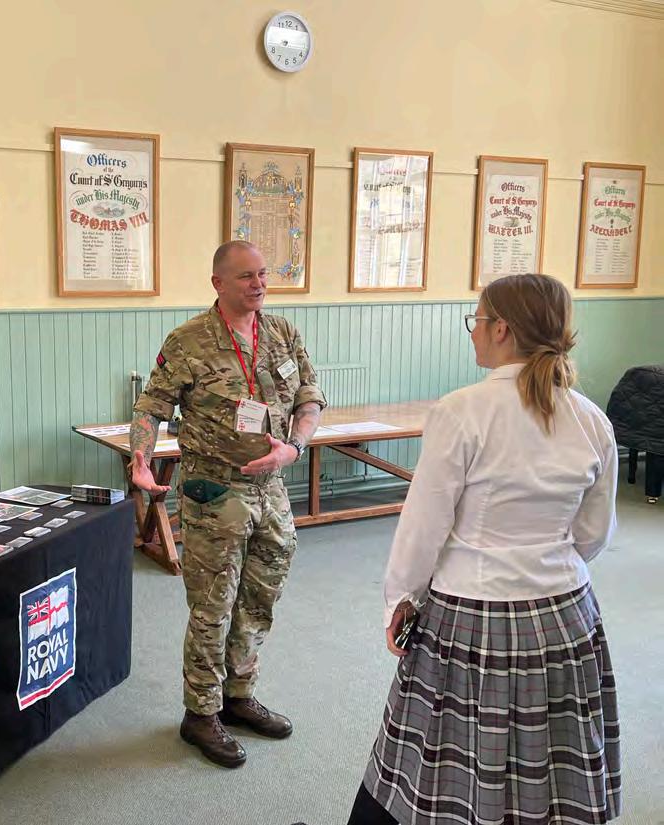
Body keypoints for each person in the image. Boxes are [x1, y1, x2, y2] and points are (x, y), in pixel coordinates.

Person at [347, 274, 620, 824]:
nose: (472, 332)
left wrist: (400, 598)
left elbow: (424, 525)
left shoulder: (461, 411)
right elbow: (594, 534)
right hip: (565, 617)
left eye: (477, 320)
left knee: (441, 749)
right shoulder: (592, 419)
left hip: (471, 614)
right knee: (549, 753)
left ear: (501, 329)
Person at [131, 240, 326, 768]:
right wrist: (141, 459)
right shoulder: (190, 340)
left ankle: (238, 696)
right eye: (246, 276)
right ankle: (200, 714)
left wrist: (294, 447)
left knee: (259, 599)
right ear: (218, 283)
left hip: (272, 490)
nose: (258, 284)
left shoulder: (282, 333)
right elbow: (151, 407)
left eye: (263, 274)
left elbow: (309, 397)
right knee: (213, 605)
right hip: (214, 492)